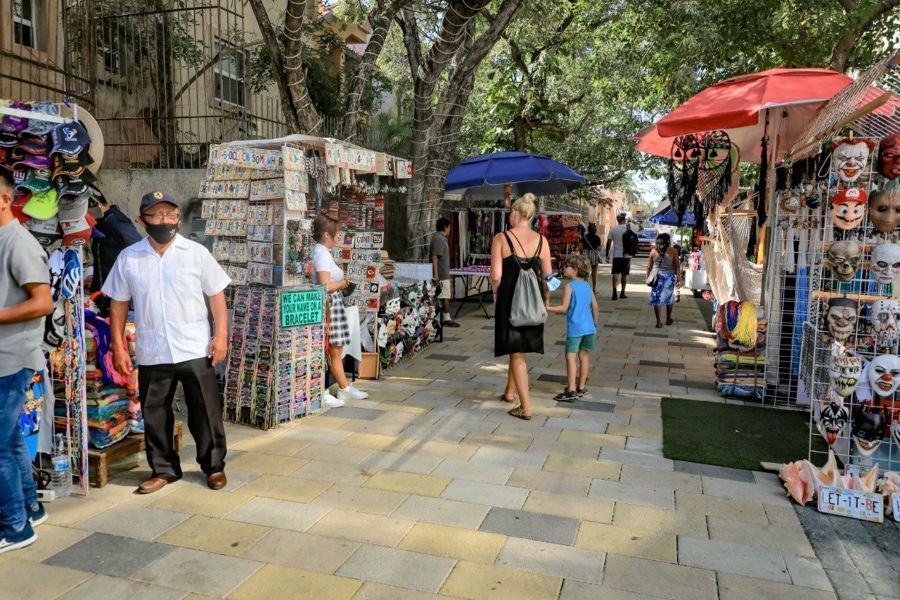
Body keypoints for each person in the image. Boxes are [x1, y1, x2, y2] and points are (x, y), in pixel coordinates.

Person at [103, 191, 231, 494]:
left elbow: (216, 295)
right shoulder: (129, 257)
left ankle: (213, 466)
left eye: (171, 215)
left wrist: (221, 335)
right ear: (142, 221)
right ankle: (163, 469)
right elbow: (118, 305)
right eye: (157, 215)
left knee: (205, 411)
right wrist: (118, 346)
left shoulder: (195, 253)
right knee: (154, 412)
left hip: (194, 347)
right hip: (153, 350)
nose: (166, 221)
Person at [0, 171, 53, 554]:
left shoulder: (18, 242)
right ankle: (30, 509)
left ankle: (13, 527)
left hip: (11, 358)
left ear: (4, 200)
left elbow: (43, 303)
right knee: (11, 439)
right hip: (6, 356)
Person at [491, 193, 552, 421]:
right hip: (533, 302)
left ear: (515, 213)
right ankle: (509, 392)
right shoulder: (542, 241)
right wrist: (546, 299)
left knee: (517, 355)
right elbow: (550, 277)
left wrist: (496, 293)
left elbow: (496, 275)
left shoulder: (501, 238)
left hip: (510, 302)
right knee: (517, 351)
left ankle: (525, 408)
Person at [310, 213, 369, 408]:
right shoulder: (321, 254)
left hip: (332, 304)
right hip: (328, 304)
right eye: (336, 234)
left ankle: (343, 387)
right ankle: (327, 390)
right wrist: (343, 282)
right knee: (329, 348)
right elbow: (325, 285)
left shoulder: (322, 253)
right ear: (326, 235)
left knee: (335, 349)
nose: (338, 237)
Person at [547, 255, 599, 402]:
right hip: (589, 328)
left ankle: (571, 390)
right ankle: (581, 387)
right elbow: (595, 306)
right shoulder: (587, 286)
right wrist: (594, 323)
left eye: (567, 266)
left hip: (575, 328)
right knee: (584, 357)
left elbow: (564, 308)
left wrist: (548, 308)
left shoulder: (569, 286)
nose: (564, 268)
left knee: (570, 356)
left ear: (575, 270)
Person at [89, 189, 141, 315]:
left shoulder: (115, 223)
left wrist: (120, 282)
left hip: (120, 304)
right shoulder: (103, 223)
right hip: (105, 300)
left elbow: (140, 251)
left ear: (95, 205)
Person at [647, 232, 682, 328]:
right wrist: (678, 278)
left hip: (656, 277)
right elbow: (677, 266)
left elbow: (649, 267)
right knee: (669, 298)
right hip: (669, 278)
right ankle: (668, 319)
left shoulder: (653, 251)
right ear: (668, 241)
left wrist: (648, 277)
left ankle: (658, 322)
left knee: (657, 299)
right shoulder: (673, 251)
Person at [604, 213, 641, 301]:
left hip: (616, 255)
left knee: (615, 273)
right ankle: (622, 293)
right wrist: (632, 221)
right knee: (624, 274)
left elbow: (608, 243)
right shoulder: (630, 227)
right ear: (625, 219)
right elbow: (641, 228)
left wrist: (607, 254)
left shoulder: (613, 229)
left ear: (617, 220)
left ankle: (614, 293)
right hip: (627, 255)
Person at [430, 217, 459, 327]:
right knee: (445, 295)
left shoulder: (441, 238)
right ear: (445, 227)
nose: (450, 230)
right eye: (449, 227)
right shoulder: (438, 239)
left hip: (444, 272)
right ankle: (446, 318)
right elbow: (435, 256)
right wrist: (436, 274)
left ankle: (442, 317)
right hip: (441, 274)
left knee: (444, 295)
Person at [580, 223, 602, 293]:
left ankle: (584, 289)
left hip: (585, 254)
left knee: (586, 272)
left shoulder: (584, 237)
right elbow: (599, 248)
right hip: (594, 255)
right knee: (594, 273)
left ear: (588, 230)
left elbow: (580, 247)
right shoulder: (597, 238)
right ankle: (594, 289)